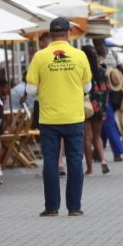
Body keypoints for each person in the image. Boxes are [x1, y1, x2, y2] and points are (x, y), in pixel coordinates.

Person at [26, 17, 92, 216]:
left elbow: (30, 90)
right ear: (68, 33)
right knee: (75, 161)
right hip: (74, 117)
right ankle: (74, 207)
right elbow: (87, 87)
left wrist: (44, 91)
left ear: (51, 34)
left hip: (49, 119)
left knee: (50, 162)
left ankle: (52, 207)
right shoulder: (80, 55)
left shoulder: (39, 57)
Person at [92, 38, 123, 162]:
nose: (97, 47)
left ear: (103, 43)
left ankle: (102, 151)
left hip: (114, 92)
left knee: (106, 122)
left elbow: (121, 69)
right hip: (100, 94)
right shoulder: (94, 57)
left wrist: (121, 80)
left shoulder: (113, 54)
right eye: (95, 44)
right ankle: (115, 151)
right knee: (106, 122)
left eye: (99, 44)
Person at [81, 45, 111, 176]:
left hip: (87, 107)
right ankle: (103, 160)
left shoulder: (83, 71)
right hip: (100, 107)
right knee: (97, 136)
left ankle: (90, 169)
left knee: (88, 138)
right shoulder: (102, 71)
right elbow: (108, 89)